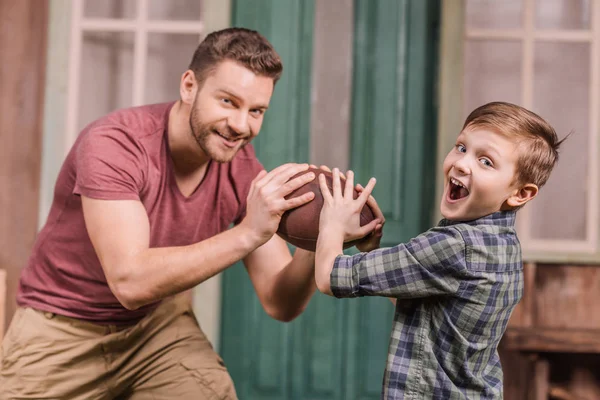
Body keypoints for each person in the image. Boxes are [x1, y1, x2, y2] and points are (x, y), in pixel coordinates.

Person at [0, 27, 380, 400]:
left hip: (156, 329)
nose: (240, 126)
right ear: (188, 86)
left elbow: (279, 301)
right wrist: (249, 231)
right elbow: (129, 283)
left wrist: (321, 232)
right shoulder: (114, 145)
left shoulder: (240, 167)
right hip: (63, 328)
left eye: (256, 111)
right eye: (228, 101)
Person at [314, 101, 566, 399]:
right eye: (461, 147)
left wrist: (330, 223)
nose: (462, 163)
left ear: (520, 193)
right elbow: (428, 305)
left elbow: (330, 277)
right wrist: (372, 251)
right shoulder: (504, 245)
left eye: (486, 161)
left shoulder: (456, 245)